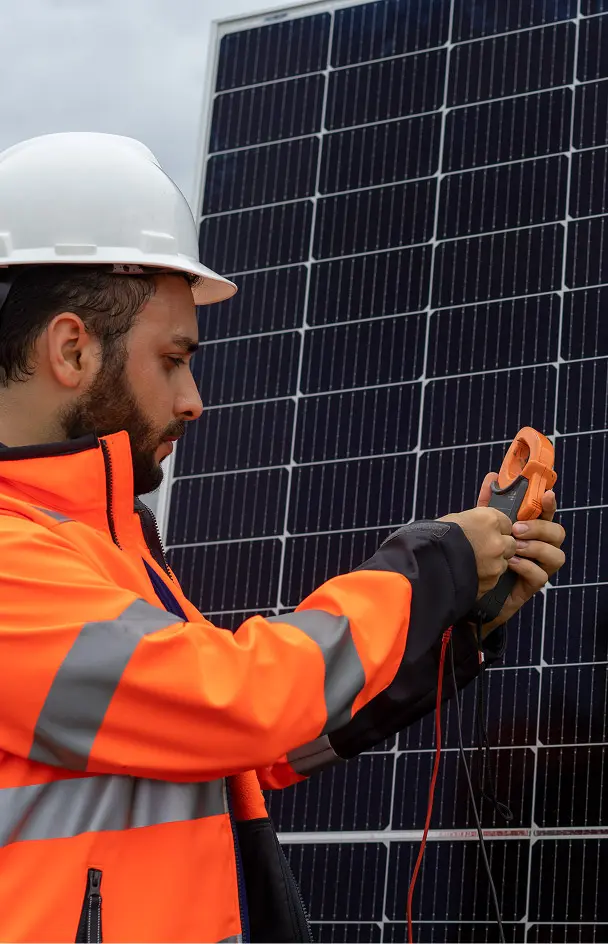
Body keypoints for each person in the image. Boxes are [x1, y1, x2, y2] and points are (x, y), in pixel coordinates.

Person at [0, 133, 566, 944]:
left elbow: (248, 754)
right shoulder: (12, 565)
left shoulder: (103, 547)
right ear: (71, 349)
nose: (194, 399)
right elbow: (234, 705)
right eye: (173, 359)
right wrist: (434, 567)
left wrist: (452, 632)